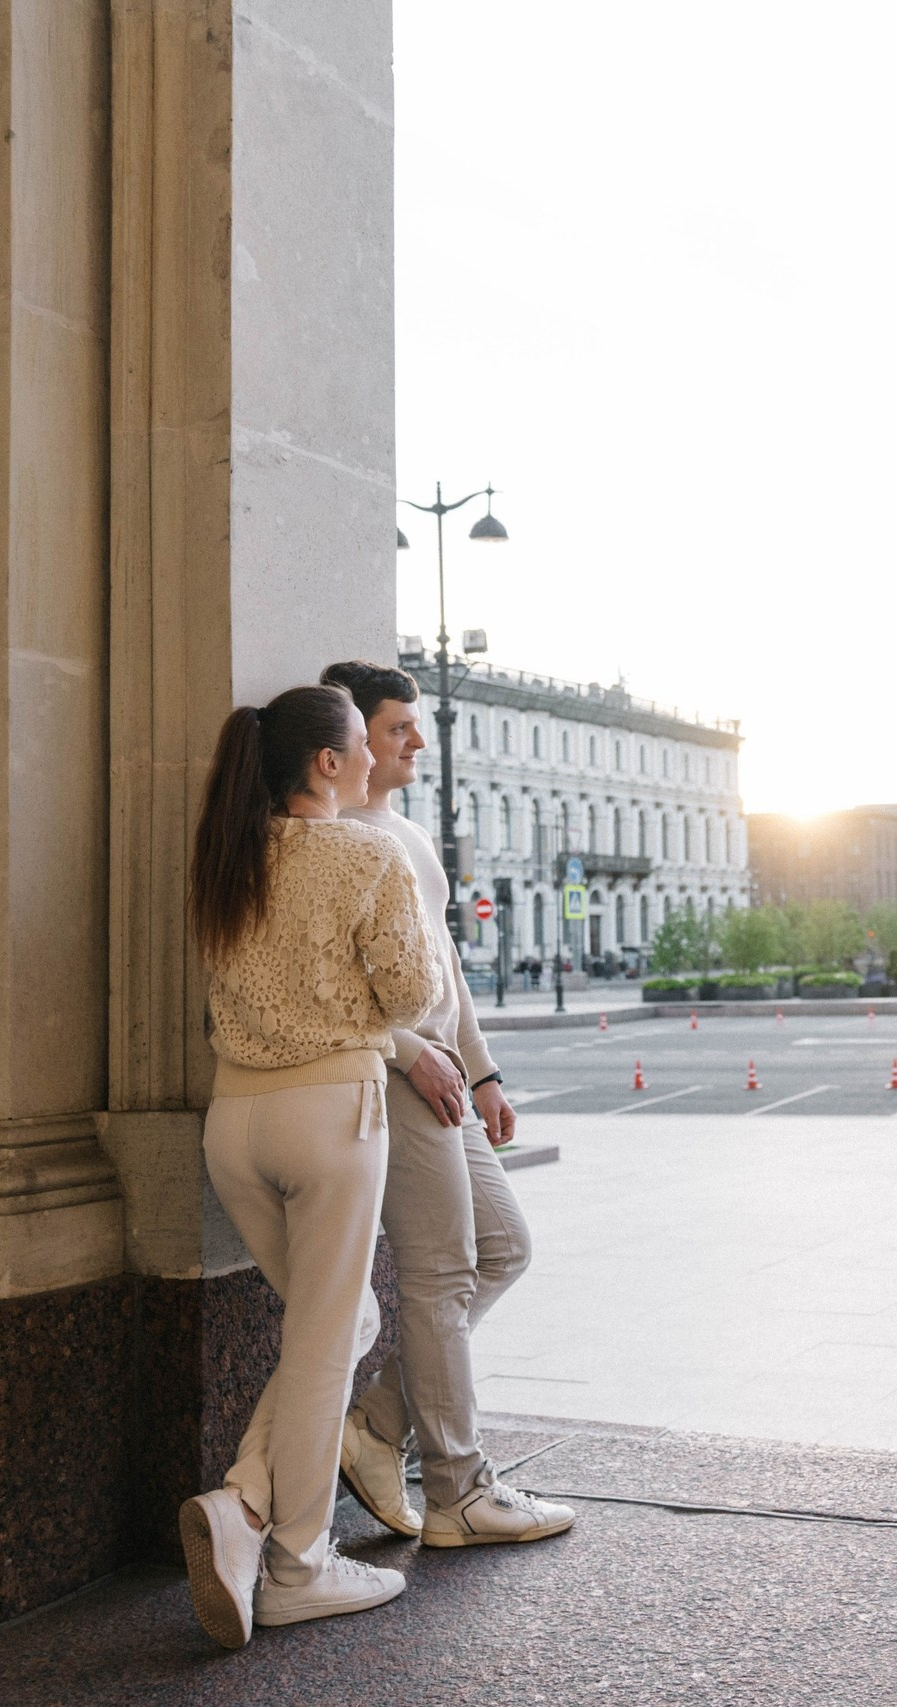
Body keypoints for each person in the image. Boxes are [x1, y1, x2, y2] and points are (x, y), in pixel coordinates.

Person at [179, 684, 439, 1649]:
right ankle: (295, 1565)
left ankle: (242, 1506)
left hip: (234, 1118)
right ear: (326, 763)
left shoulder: (226, 858)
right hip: (329, 1112)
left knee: (336, 1325)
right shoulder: (365, 851)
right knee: (330, 1339)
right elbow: (412, 992)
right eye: (358, 748)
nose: (375, 759)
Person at [320, 662, 576, 1554]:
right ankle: (459, 1490)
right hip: (397, 1075)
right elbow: (331, 984)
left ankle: (376, 1422)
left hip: (446, 1077)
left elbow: (446, 969)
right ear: (351, 739)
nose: (416, 743)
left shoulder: (406, 833)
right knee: (440, 1272)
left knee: (504, 1245)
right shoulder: (332, 836)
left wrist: (485, 1069)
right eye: (398, 729)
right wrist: (408, 1050)